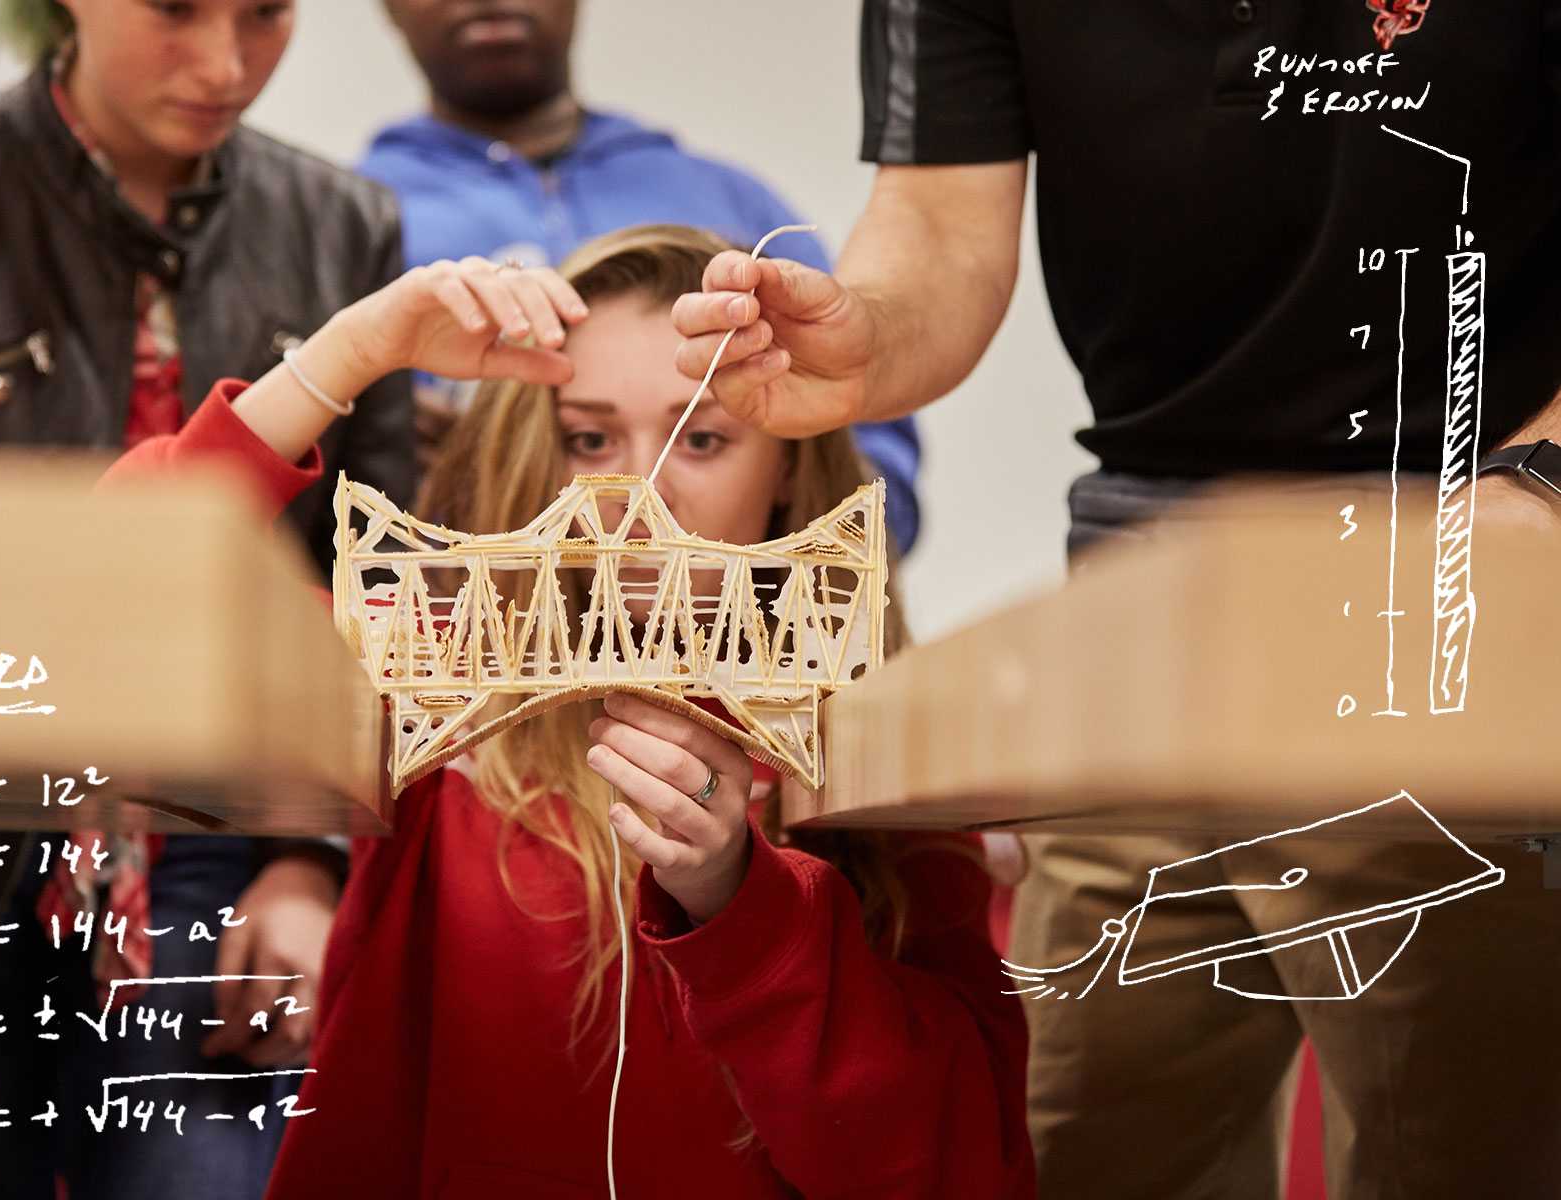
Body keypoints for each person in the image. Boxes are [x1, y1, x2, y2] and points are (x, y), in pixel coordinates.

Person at [669, 3, 1561, 1197]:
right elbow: (938, 214)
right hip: (1140, 606)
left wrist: (1538, 489)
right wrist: (866, 339)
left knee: (1456, 1154)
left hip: (1459, 579)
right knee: (1083, 1145)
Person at [171, 224, 1024, 1198]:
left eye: (701, 438)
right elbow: (113, 601)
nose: (638, 494)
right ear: (541, 457)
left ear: (789, 465)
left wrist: (739, 901)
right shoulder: (431, 689)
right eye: (590, 439)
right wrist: (352, 353)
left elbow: (965, 1169)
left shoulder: (891, 753)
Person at [0, 2, 410, 1197]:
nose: (224, 66)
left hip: (210, 863)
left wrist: (311, 859)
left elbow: (379, 584)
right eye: (174, 10)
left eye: (266, 14)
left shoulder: (345, 225)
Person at [362, 0, 925, 551]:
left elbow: (873, 478)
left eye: (701, 440)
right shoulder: (350, 224)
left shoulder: (735, 207)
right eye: (587, 440)